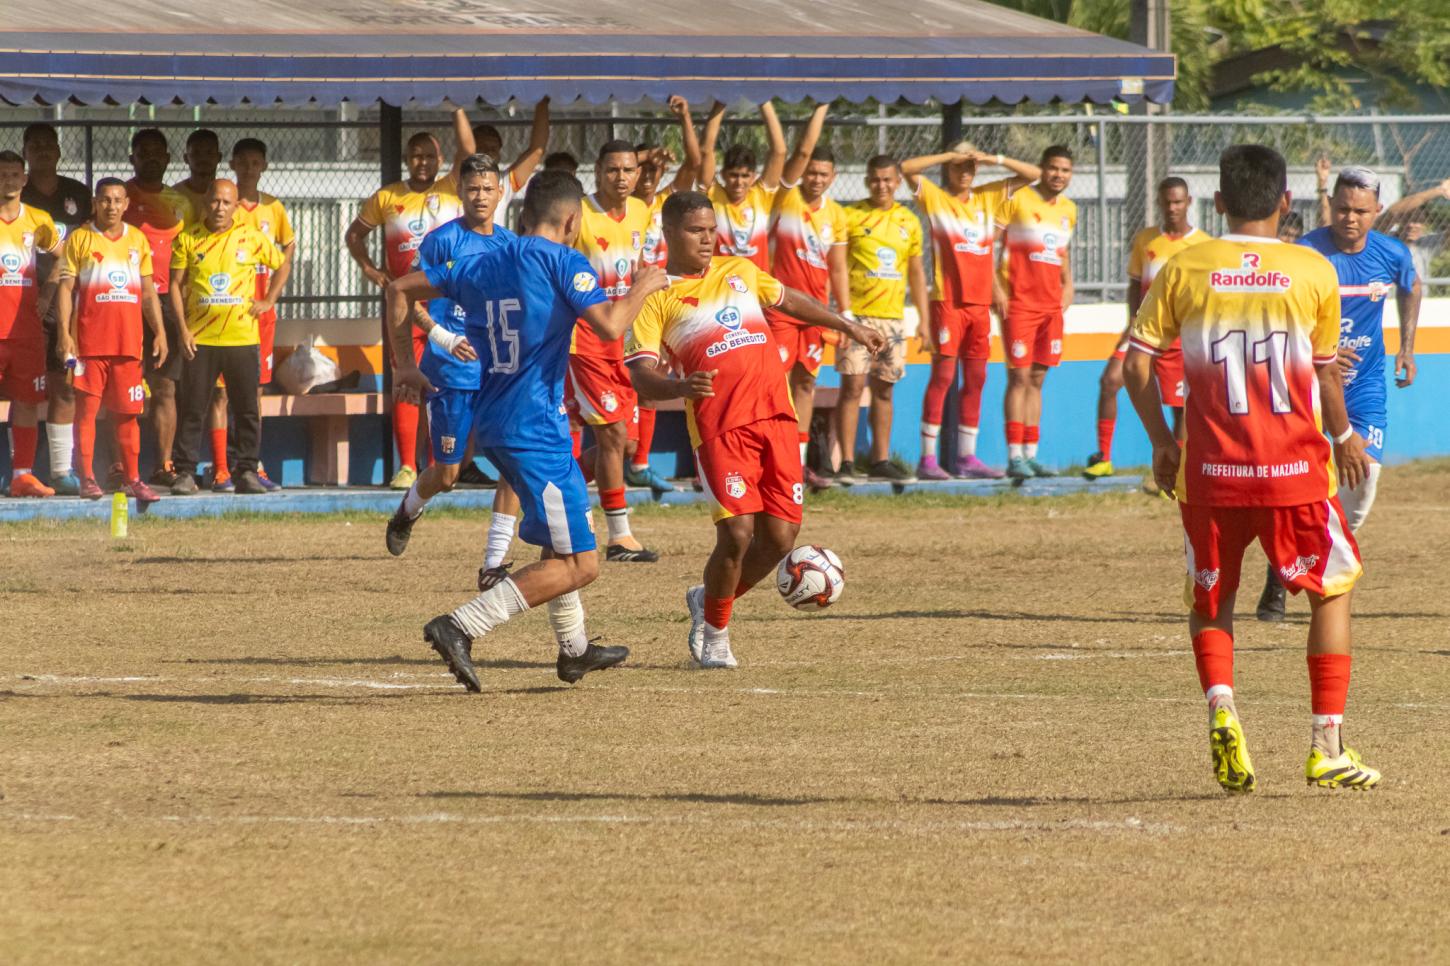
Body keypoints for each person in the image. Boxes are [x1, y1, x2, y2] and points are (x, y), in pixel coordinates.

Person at [1124, 143, 1380, 793]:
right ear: (1286, 201)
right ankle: (1327, 743)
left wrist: (1161, 442)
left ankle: (1223, 707)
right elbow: (1324, 372)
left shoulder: (1186, 266)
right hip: (1292, 469)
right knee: (1333, 588)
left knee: (1213, 598)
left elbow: (1136, 363)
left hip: (1209, 471)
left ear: (1217, 204)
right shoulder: (1311, 269)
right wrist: (1345, 435)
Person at [384, 171, 669, 691]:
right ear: (572, 220)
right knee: (583, 563)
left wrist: (405, 363)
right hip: (533, 426)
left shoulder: (481, 261)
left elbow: (401, 288)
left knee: (561, 539)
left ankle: (575, 649)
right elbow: (610, 324)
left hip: (498, 419)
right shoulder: (563, 260)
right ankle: (460, 625)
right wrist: (644, 286)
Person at [624, 191, 885, 668]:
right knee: (738, 534)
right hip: (721, 427)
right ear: (668, 233)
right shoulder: (654, 295)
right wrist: (680, 385)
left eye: (710, 229)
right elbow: (640, 374)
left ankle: (708, 601)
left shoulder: (740, 270)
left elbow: (792, 301)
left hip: (778, 418)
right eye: (695, 231)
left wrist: (848, 326)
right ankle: (717, 634)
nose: (707, 239)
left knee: (782, 539)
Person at [1255, 165, 1419, 621]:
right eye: (1343, 209)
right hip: (1305, 385)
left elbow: (1412, 286)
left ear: (1377, 211)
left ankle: (1306, 556)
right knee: (1298, 481)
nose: (1350, 218)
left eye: (1361, 211)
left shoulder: (1392, 254)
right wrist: (1316, 351)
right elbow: (1277, 317)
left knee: (1361, 482)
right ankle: (1284, 568)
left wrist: (1406, 347)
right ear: (1332, 207)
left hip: (1364, 386)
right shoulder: (1306, 253)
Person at [384, 153, 520, 564]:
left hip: (498, 371)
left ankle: (494, 562)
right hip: (452, 370)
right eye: (473, 188)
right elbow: (405, 293)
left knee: (513, 460)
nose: (481, 196)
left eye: (488, 189)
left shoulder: (511, 245)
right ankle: (407, 512)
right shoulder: (442, 241)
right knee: (447, 474)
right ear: (459, 192)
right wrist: (441, 336)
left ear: (500, 193)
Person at [345, 110, 474, 489]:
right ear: (406, 159)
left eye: (429, 156)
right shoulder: (387, 197)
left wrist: (456, 110)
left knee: (441, 382)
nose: (422, 162)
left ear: (440, 161)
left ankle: (439, 462)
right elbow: (354, 236)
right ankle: (406, 465)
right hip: (405, 305)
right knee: (406, 379)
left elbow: (468, 149)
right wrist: (370, 270)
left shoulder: (452, 187)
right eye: (415, 155)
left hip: (446, 306)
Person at [903, 142, 1041, 480]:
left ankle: (967, 458)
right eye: (957, 166)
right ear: (948, 168)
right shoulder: (937, 198)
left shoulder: (987, 196)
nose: (963, 172)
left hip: (980, 306)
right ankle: (927, 459)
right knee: (944, 377)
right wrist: (947, 156)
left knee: (977, 378)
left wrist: (995, 158)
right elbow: (907, 167)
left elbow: (1033, 175)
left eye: (969, 167)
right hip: (948, 301)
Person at [567, 139, 658, 561]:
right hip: (583, 339)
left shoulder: (641, 211)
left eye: (628, 170)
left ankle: (557, 488)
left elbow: (640, 273)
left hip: (620, 339)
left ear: (637, 174)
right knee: (612, 433)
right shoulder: (579, 214)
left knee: (616, 442)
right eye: (612, 170)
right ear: (597, 171)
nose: (621, 178)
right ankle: (619, 537)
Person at [1085, 177, 1209, 482]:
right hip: (1143, 330)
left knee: (1180, 408)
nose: (1172, 208)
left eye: (1178, 202)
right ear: (1159, 203)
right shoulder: (1146, 240)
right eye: (1167, 202)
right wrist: (1131, 321)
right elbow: (1134, 284)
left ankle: (1178, 469)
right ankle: (1104, 457)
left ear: (1189, 203)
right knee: (1111, 381)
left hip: (1180, 334)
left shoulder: (1203, 245)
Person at [167, 180, 287, 495]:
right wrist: (182, 330)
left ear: (235, 206)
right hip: (201, 339)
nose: (220, 208)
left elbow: (283, 263)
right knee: (193, 408)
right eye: (215, 201)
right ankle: (186, 473)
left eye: (226, 202)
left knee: (247, 409)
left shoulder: (251, 237)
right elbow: (174, 286)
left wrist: (269, 300)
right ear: (206, 202)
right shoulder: (188, 238)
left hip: (242, 339)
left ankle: (246, 470)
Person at [53, 178, 168, 503]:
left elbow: (148, 293)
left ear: (126, 204)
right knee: (86, 413)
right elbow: (65, 290)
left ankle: (134, 479)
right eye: (105, 200)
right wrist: (65, 334)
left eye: (118, 200)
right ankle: (87, 478)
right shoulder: (80, 239)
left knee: (128, 415)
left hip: (129, 346)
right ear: (95, 202)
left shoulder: (138, 241)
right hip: (90, 346)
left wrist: (158, 331)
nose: (112, 206)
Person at [628, 95, 704, 495]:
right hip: (631, 305)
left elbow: (694, 162)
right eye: (642, 170)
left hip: (671, 302)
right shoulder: (622, 207)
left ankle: (640, 461)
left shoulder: (668, 204)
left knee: (657, 380)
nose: (647, 178)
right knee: (633, 380)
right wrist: (647, 155)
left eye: (655, 171)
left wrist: (686, 116)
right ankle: (620, 459)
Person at [210, 136, 296, 492]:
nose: (248, 168)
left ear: (264, 166)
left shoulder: (273, 209)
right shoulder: (221, 204)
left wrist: (270, 299)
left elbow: (288, 248)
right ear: (231, 164)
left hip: (257, 318)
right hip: (222, 315)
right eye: (242, 161)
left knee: (253, 394)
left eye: (255, 162)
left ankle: (251, 464)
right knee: (220, 394)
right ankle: (219, 469)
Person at [835, 154, 926, 484]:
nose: (881, 185)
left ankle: (880, 459)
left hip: (893, 319)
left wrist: (924, 318)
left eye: (888, 179)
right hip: (858, 317)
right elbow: (839, 266)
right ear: (866, 181)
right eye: (875, 179)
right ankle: (845, 463)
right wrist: (844, 314)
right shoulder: (850, 216)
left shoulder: (909, 222)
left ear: (898, 182)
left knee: (885, 390)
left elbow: (916, 272)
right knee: (853, 386)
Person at [762, 105, 840, 491]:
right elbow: (802, 152)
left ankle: (798, 465)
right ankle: (768, 459)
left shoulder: (836, 215)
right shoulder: (785, 199)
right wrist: (821, 108)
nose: (815, 178)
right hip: (781, 307)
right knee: (773, 382)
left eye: (823, 174)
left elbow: (837, 266)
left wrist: (844, 311)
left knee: (806, 384)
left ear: (833, 178)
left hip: (817, 313)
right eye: (810, 172)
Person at [996, 145, 1075, 483]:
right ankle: (1014, 455)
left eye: (1065, 170)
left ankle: (1031, 454)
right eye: (1054, 168)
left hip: (1051, 306)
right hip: (1020, 304)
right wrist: (995, 289)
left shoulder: (1069, 210)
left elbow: (1062, 252)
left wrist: (1069, 285)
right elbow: (990, 245)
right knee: (1019, 377)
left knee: (1038, 380)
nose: (1059, 175)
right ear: (1042, 168)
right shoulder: (1017, 200)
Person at [20, 123, 90, 494]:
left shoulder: (77, 193)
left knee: (64, 386)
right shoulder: (14, 193)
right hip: (18, 308)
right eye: (36, 145)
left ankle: (61, 471)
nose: (44, 150)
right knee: (23, 391)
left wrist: (56, 294)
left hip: (67, 305)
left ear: (60, 151)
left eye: (50, 144)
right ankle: (21, 472)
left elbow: (86, 250)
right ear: (26, 151)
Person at [122, 128, 190, 493]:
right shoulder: (120, 197)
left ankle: (163, 464)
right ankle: (121, 466)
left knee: (165, 387)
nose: (150, 157)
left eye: (156, 151)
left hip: (168, 302)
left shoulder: (181, 200)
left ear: (167, 158)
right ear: (131, 157)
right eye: (142, 151)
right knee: (122, 387)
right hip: (125, 300)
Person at [0, 150, 62, 497]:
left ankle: (22, 476)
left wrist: (48, 293)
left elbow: (65, 255)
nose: (7, 181)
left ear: (24, 179)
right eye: (1, 174)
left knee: (27, 402)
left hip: (25, 332)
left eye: (13, 174)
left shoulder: (39, 220)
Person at [698, 101, 787, 270]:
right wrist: (720, 103)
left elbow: (779, 151)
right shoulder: (714, 195)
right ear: (723, 174)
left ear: (753, 176)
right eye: (733, 175)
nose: (739, 182)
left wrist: (763, 100)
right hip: (721, 286)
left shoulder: (761, 195)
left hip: (757, 288)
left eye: (745, 176)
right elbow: (705, 151)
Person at [469, 97, 550, 229]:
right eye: (481, 148)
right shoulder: (455, 180)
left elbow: (537, 150)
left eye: (493, 149)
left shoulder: (504, 182)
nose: (487, 153)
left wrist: (542, 101)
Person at [172, 129, 221, 227]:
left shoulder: (227, 195)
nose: (203, 158)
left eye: (209, 153)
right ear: (186, 158)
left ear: (219, 157)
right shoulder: (174, 195)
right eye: (196, 153)